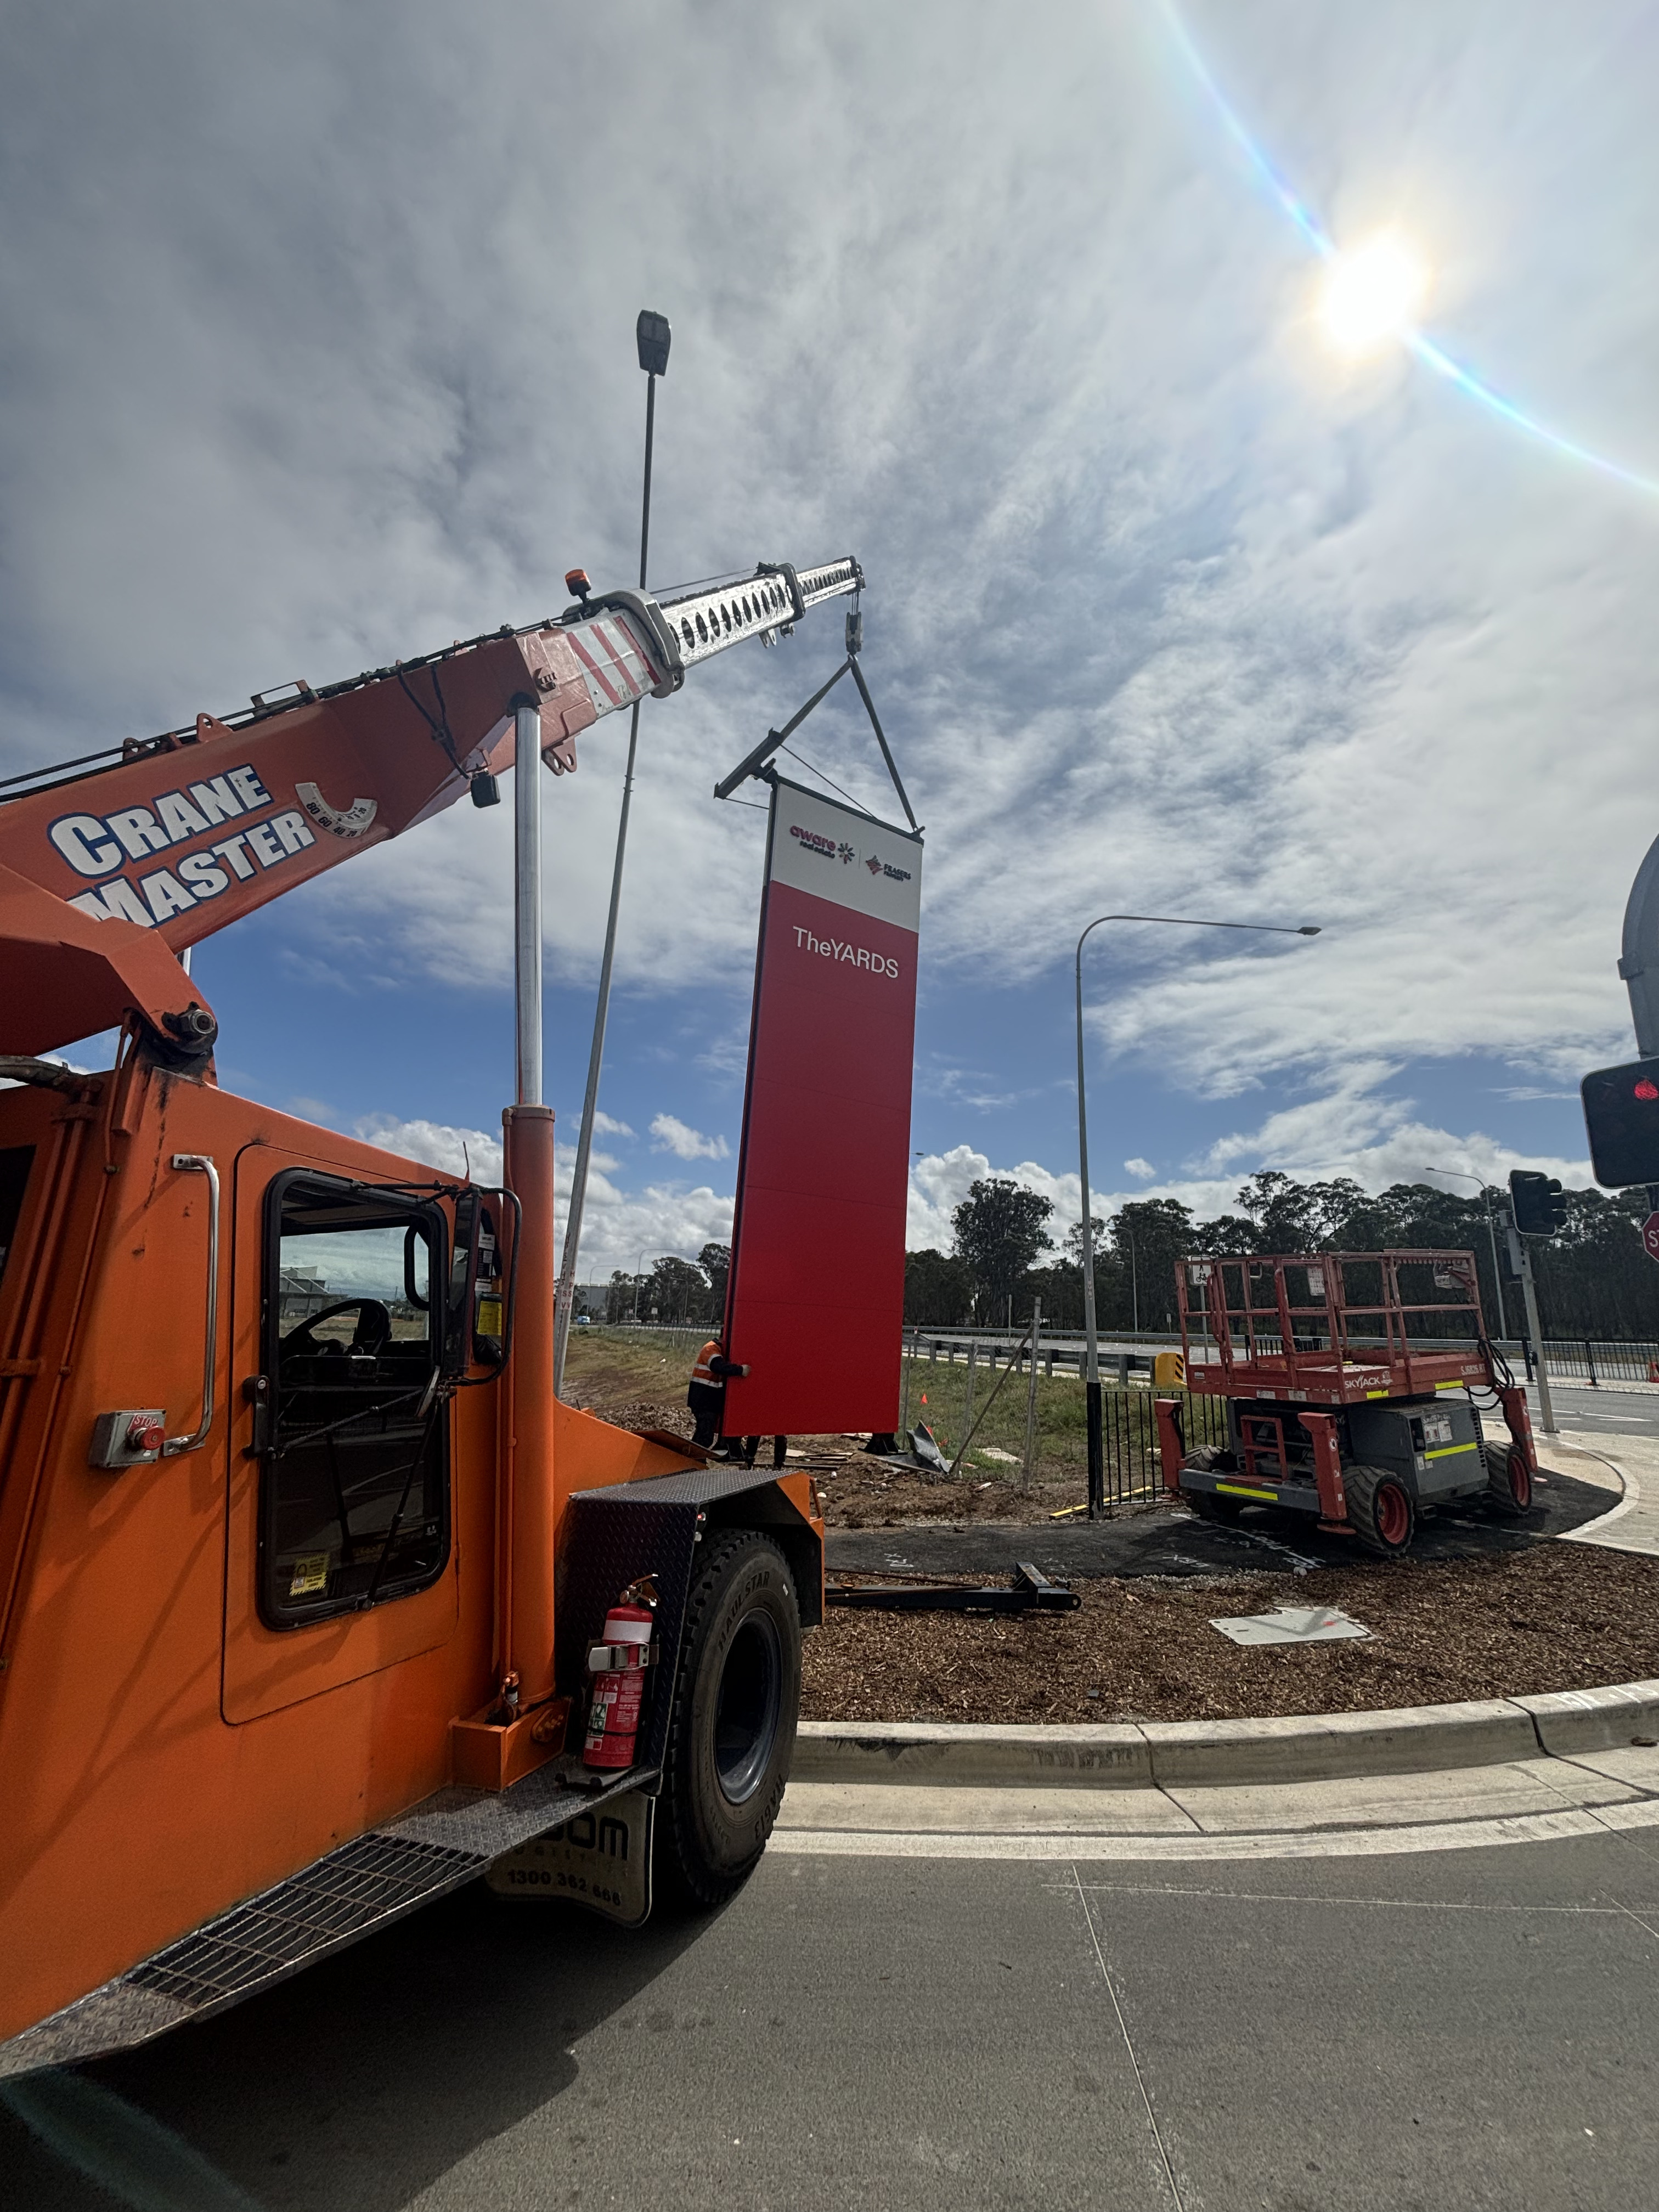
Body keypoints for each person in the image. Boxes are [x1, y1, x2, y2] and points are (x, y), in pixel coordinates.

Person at [687, 1335, 747, 1451]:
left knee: (705, 1434)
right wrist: (741, 1370)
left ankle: (695, 1459)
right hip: (703, 1401)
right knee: (705, 1436)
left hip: (707, 1401)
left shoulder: (718, 1351)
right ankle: (693, 1459)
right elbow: (718, 1366)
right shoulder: (710, 1349)